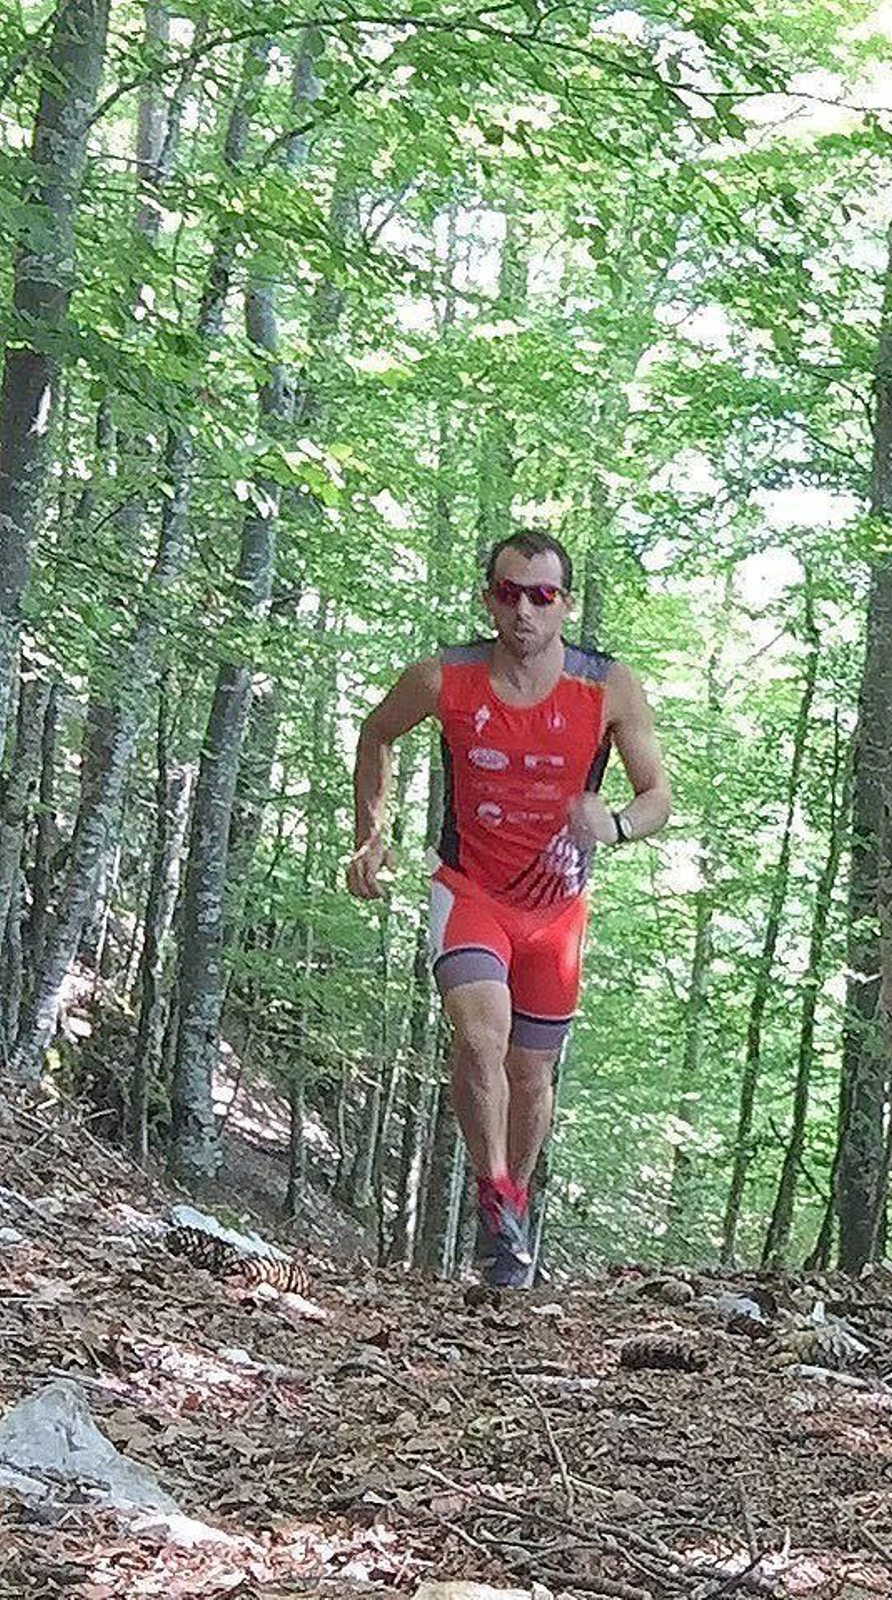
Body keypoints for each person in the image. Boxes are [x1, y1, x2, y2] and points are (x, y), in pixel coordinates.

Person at [347, 529, 671, 1286]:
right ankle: (494, 1202)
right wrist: (372, 834)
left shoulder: (609, 687)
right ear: (488, 599)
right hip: (469, 891)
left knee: (531, 1074)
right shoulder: (441, 678)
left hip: (557, 912)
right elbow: (377, 733)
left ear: (566, 604)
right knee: (479, 1038)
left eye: (542, 595)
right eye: (508, 593)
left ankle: (514, 1204)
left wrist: (615, 824)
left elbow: (658, 797)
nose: (524, 610)